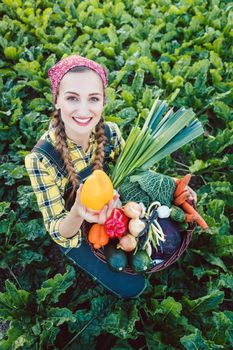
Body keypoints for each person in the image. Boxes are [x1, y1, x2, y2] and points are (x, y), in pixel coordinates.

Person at [25, 54, 197, 299]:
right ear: (57, 101)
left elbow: (137, 173)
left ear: (103, 101)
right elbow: (59, 231)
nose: (83, 110)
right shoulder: (42, 158)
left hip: (115, 208)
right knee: (133, 287)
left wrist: (174, 187)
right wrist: (78, 212)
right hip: (72, 225)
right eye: (72, 97)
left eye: (93, 98)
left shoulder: (110, 133)